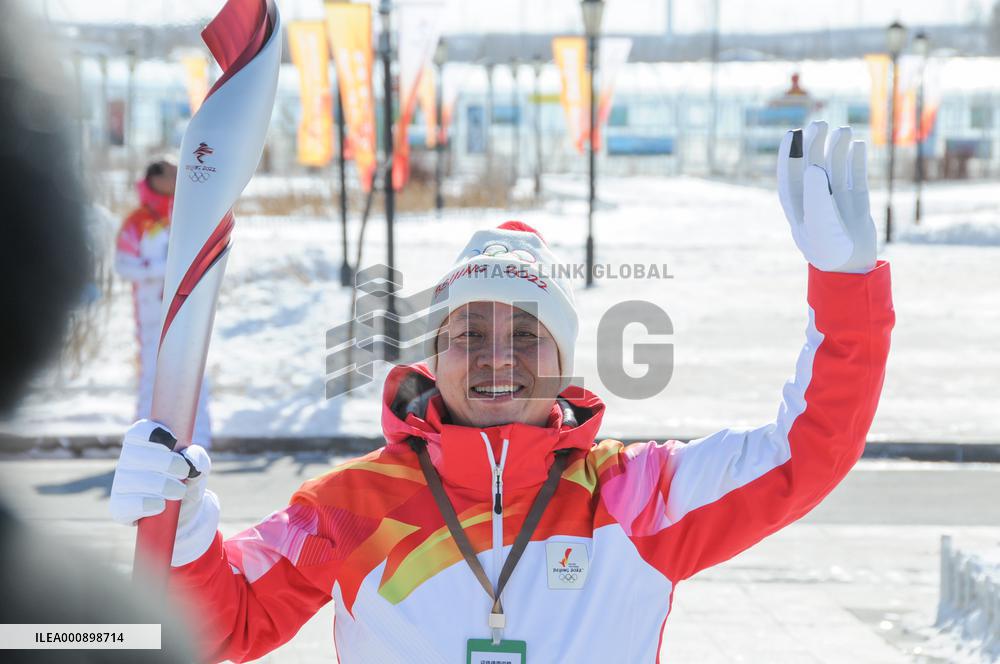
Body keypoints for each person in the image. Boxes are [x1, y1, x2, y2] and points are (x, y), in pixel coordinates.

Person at [110, 121, 894, 663]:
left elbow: (808, 451)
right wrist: (182, 540)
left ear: (563, 360)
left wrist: (846, 284)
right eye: (467, 333)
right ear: (435, 353)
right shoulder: (350, 508)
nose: (495, 357)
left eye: (525, 334)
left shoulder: (633, 497)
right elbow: (226, 627)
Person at [0, 2, 194, 660]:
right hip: (148, 312)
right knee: (152, 385)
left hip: (174, 314)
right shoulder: (98, 625)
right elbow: (128, 263)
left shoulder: (179, 216)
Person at [115, 159, 212, 446]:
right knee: (153, 378)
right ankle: (144, 443)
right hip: (152, 314)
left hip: (188, 310)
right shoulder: (137, 222)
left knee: (194, 373)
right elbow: (125, 266)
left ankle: (197, 440)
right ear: (155, 179)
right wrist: (164, 270)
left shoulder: (185, 215)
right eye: (171, 174)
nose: (177, 177)